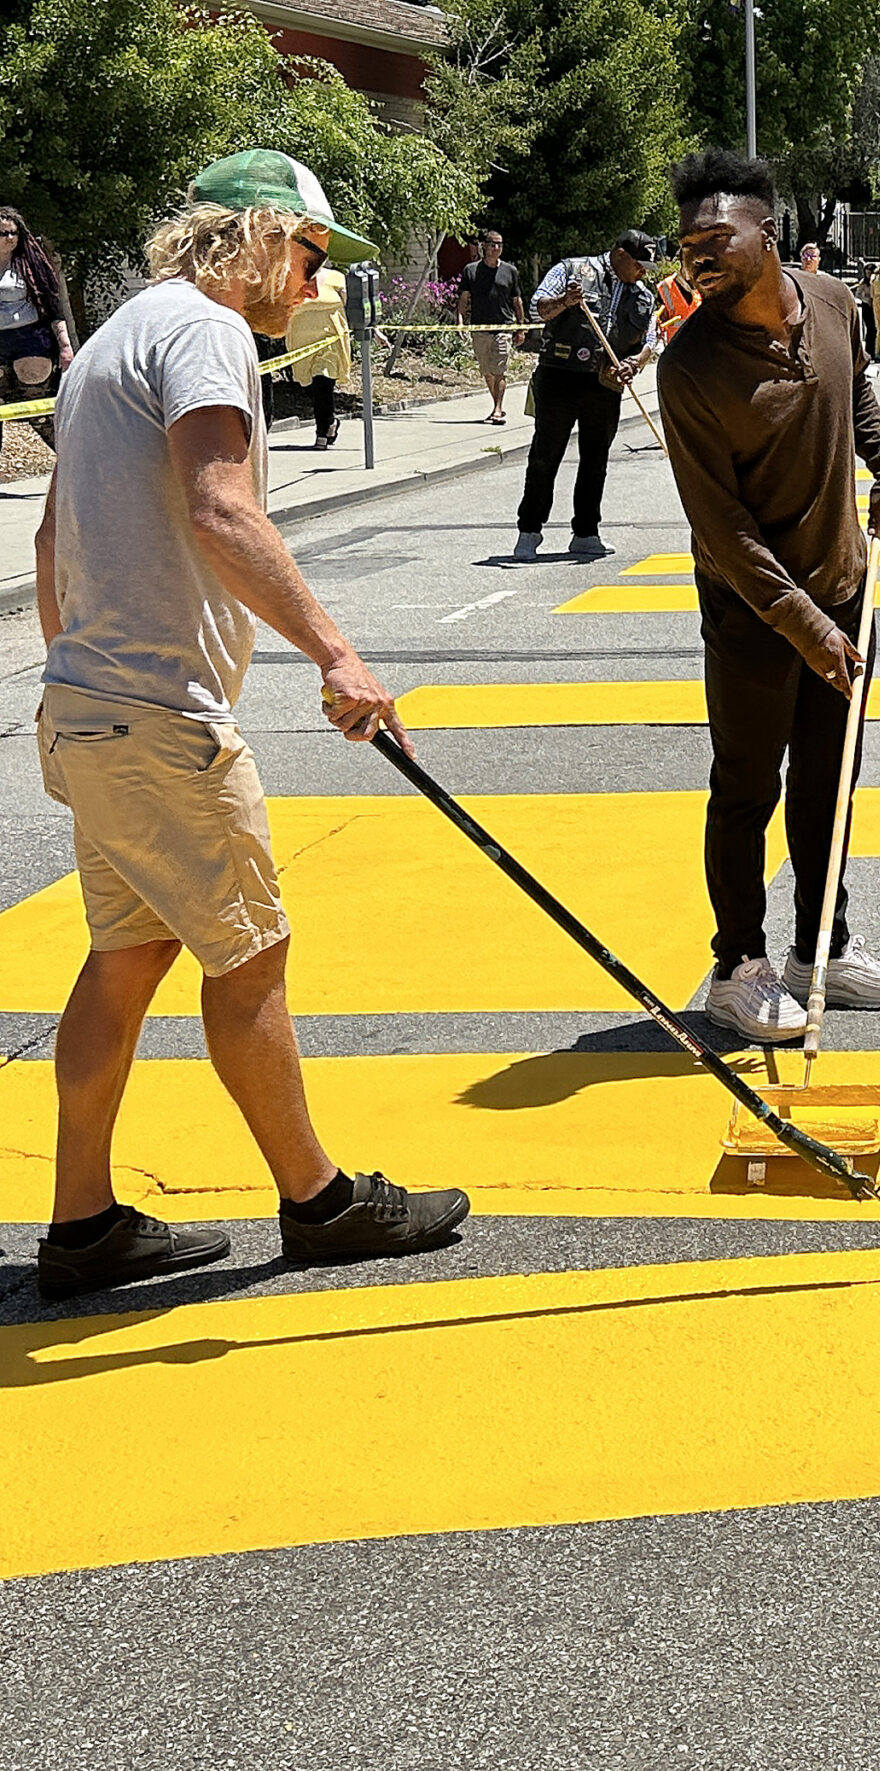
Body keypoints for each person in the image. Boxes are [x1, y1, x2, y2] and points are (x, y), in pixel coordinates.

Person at [28, 149, 468, 1299]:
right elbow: (222, 508)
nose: (315, 287)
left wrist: (73, 676)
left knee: (128, 956)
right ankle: (320, 1201)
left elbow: (47, 542)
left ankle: (82, 1228)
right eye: (314, 257)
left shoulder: (118, 334)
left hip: (92, 705)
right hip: (157, 714)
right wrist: (337, 652)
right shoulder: (209, 331)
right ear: (263, 235)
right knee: (252, 953)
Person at [658, 149, 880, 1042]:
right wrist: (805, 625)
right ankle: (737, 966)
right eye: (687, 245)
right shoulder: (690, 367)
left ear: (767, 234)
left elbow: (860, 395)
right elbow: (722, 529)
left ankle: (823, 952)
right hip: (753, 611)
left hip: (846, 588)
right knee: (745, 789)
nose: (698, 258)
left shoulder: (838, 304)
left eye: (716, 240)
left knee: (829, 781)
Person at [513, 228, 653, 561]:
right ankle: (529, 531)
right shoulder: (572, 271)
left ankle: (586, 532)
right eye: (639, 263)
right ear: (620, 254)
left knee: (596, 460)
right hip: (559, 377)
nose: (644, 270)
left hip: (604, 385)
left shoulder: (642, 295)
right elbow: (537, 309)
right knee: (545, 456)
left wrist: (634, 363)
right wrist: (565, 302)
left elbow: (650, 339)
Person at [0, 205, 76, 450]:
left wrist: (65, 347)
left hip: (30, 340)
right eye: (3, 234)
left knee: (41, 413)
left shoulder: (31, 264)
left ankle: (78, 468)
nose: (9, 238)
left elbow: (53, 308)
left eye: (13, 233)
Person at [455, 229, 526, 424]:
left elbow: (517, 300)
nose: (496, 248)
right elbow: (464, 299)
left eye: (499, 244)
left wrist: (521, 327)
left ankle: (498, 408)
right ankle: (497, 404)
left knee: (499, 369)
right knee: (487, 371)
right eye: (492, 244)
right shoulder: (471, 270)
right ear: (484, 246)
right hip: (479, 328)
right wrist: (460, 322)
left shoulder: (510, 271)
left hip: (503, 327)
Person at [281, 262, 352, 448]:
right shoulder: (293, 278)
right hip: (301, 343)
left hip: (329, 342)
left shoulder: (336, 277)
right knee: (310, 387)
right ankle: (330, 423)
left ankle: (322, 432)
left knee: (323, 382)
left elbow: (345, 304)